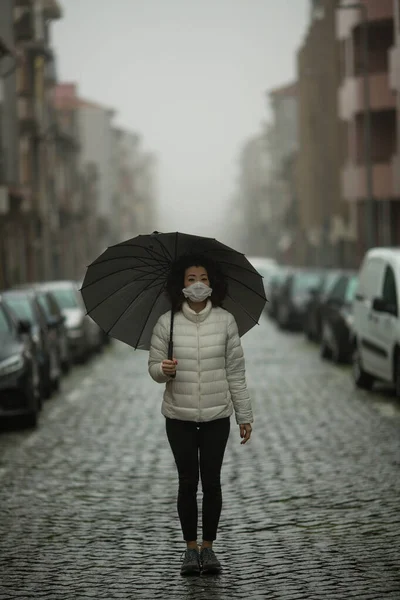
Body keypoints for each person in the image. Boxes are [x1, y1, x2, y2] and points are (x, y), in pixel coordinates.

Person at [148, 254, 253, 576]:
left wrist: (244, 415)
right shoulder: (168, 322)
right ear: (181, 284)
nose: (198, 284)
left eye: (204, 278)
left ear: (213, 284)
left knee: (212, 483)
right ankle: (190, 550)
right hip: (178, 416)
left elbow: (236, 372)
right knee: (186, 482)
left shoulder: (226, 321)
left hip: (216, 416)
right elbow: (153, 368)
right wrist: (162, 370)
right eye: (191, 278)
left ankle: (209, 549)